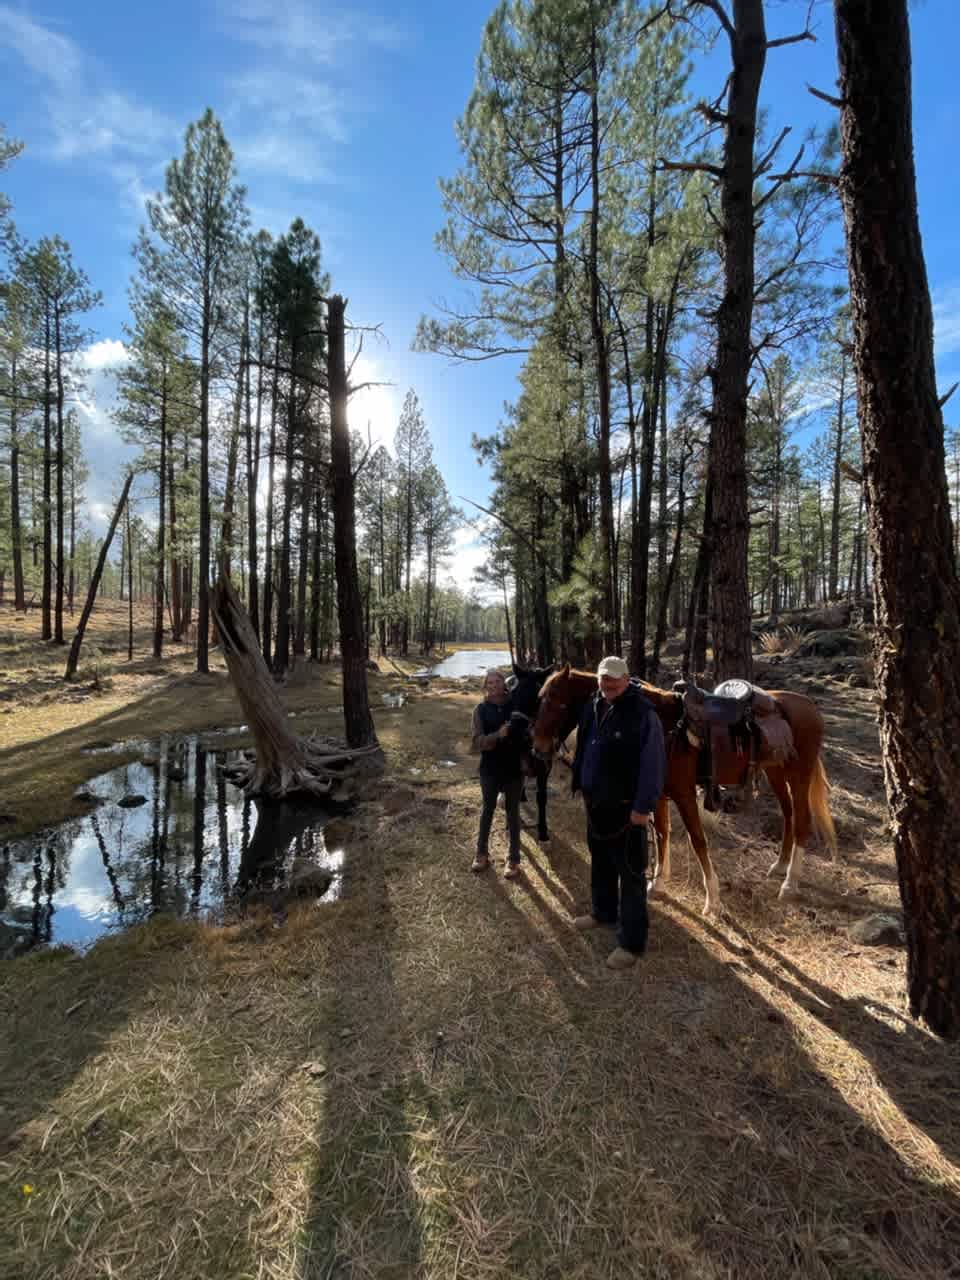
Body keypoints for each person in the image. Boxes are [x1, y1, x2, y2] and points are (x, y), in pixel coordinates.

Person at [571, 655, 666, 970]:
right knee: (600, 862)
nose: (607, 684)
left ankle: (631, 943)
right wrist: (579, 783)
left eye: (613, 678)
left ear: (627, 679)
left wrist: (643, 808)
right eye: (603, 678)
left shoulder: (643, 714)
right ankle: (602, 912)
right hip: (596, 803)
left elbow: (653, 766)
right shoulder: (593, 703)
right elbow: (584, 746)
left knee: (631, 875)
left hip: (627, 811)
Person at [471, 668, 525, 879]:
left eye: (497, 682)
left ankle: (513, 860)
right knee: (488, 810)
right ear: (486, 686)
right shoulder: (480, 710)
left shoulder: (516, 706)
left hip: (513, 769)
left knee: (513, 813)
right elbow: (477, 742)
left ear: (504, 684)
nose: (493, 686)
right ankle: (481, 854)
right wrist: (497, 735)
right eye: (489, 683)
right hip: (490, 769)